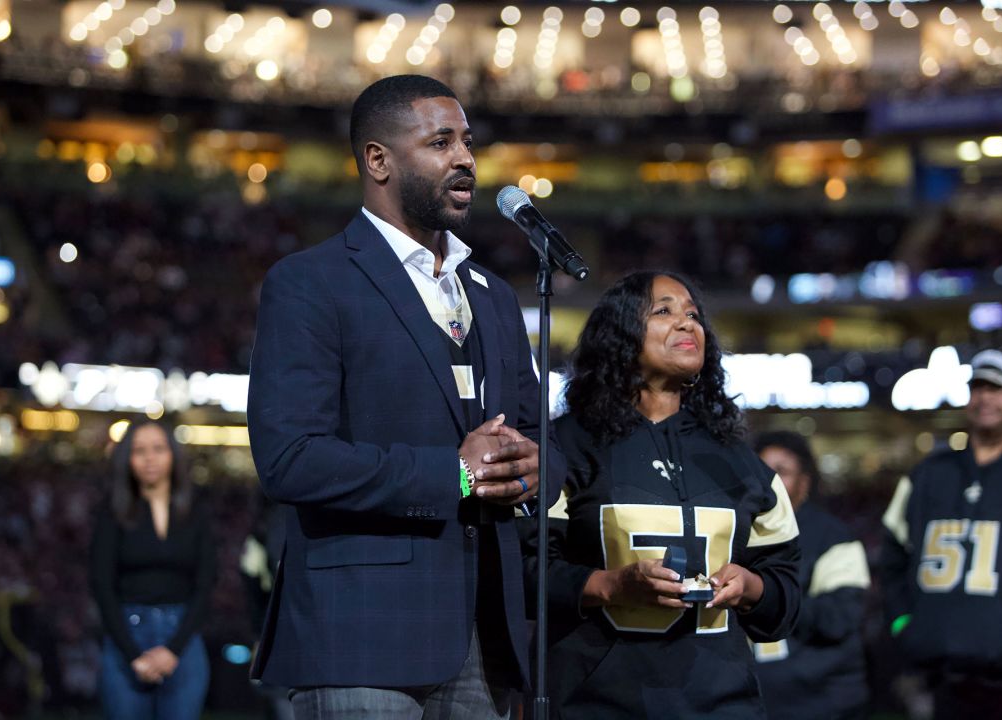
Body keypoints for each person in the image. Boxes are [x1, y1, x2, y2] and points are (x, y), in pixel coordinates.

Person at [246, 74, 566, 719]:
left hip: (489, 635)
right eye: (441, 142)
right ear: (378, 159)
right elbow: (290, 457)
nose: (465, 159)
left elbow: (540, 439)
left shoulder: (494, 295)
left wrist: (535, 469)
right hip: (363, 632)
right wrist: (456, 472)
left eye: (468, 142)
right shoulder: (311, 282)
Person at [522, 270, 801, 719]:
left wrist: (751, 587)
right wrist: (610, 585)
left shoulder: (740, 462)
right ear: (621, 333)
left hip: (723, 702)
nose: (688, 323)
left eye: (693, 314)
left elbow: (786, 597)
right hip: (596, 701)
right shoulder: (565, 447)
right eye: (664, 311)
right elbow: (523, 570)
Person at [877, 348, 1002, 719]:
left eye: (997, 388)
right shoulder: (929, 473)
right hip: (940, 678)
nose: (985, 398)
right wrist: (904, 623)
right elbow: (891, 555)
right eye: (977, 387)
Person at [90, 420, 216, 720]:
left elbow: (207, 582)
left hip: (183, 637)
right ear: (127, 459)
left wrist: (173, 649)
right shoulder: (112, 512)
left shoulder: (196, 512)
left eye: (158, 449)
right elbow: (101, 584)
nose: (150, 458)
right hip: (126, 637)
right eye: (139, 450)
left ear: (173, 455)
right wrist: (133, 655)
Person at [751, 431, 870, 720]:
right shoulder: (737, 530)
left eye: (781, 471)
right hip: (755, 698)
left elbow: (839, 617)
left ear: (804, 482)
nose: (769, 480)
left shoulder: (834, 536)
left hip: (820, 699)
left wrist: (766, 596)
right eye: (761, 469)